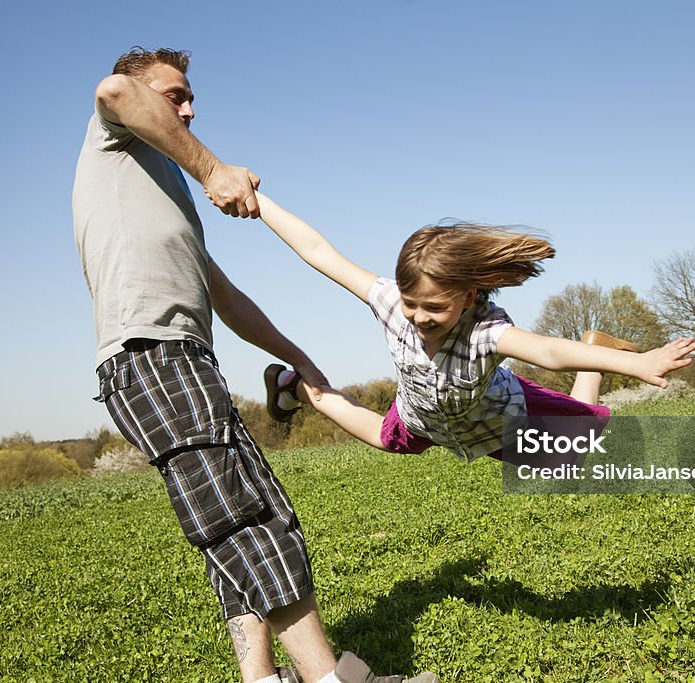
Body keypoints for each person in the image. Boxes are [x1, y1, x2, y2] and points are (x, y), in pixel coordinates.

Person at [73, 47, 437, 683]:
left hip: (183, 358)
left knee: (237, 517)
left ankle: (261, 677)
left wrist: (297, 358)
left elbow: (228, 297)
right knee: (247, 517)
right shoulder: (115, 135)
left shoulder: (163, 191)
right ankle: (333, 680)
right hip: (152, 354)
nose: (187, 107)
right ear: (144, 90)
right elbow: (112, 92)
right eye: (174, 95)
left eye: (191, 98)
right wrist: (213, 168)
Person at [254, 193, 695, 461]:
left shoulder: (486, 332)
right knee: (380, 436)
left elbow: (546, 352)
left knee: (576, 447)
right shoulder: (389, 299)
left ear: (467, 297)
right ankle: (294, 386)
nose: (419, 317)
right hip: (422, 417)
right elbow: (319, 251)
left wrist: (638, 363)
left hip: (492, 419)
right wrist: (260, 204)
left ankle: (596, 356)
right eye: (411, 304)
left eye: (435, 307)